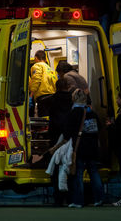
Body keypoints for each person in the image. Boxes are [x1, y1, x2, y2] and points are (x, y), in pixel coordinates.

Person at [67, 89, 104, 208]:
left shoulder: (74, 112)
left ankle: (78, 201)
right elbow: (99, 127)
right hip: (93, 147)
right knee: (94, 172)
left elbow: (68, 131)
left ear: (74, 99)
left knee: (78, 174)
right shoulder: (91, 112)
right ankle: (99, 199)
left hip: (80, 148)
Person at [47, 78, 73, 206]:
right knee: (68, 164)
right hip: (69, 136)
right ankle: (70, 197)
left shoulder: (52, 99)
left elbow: (50, 115)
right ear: (68, 86)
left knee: (56, 165)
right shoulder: (72, 99)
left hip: (55, 135)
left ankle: (58, 198)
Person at [29, 50, 58, 117]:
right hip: (52, 96)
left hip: (43, 97)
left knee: (43, 118)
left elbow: (36, 79)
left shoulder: (37, 66)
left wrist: (31, 94)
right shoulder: (50, 69)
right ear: (45, 58)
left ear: (36, 58)